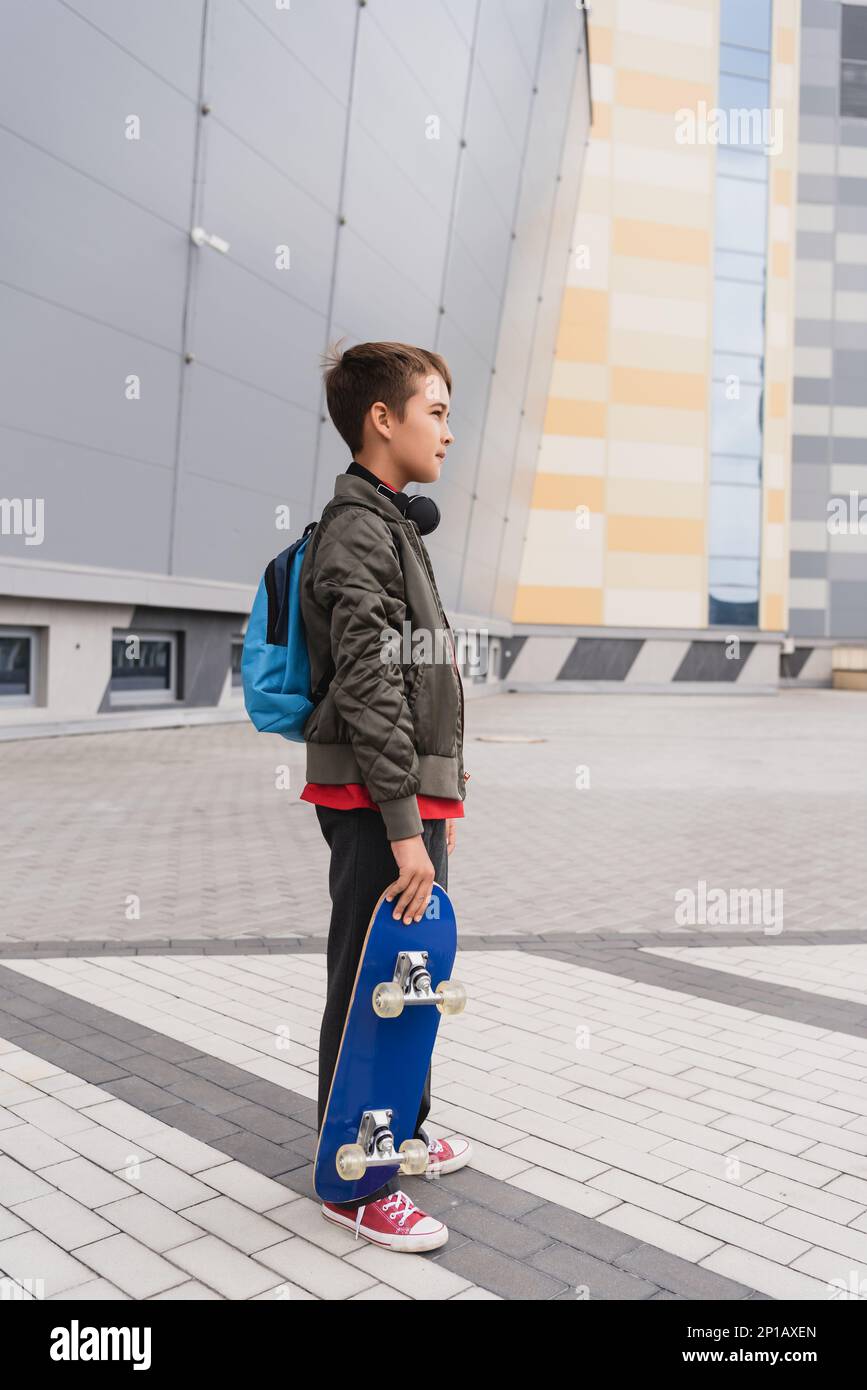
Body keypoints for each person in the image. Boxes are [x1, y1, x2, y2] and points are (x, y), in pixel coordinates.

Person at [299, 340, 472, 1252]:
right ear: (384, 418)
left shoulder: (391, 521)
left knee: (408, 979)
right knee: (371, 985)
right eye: (435, 410)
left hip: (403, 794)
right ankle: (352, 1183)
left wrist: (443, 782)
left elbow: (413, 677)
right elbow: (368, 684)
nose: (447, 429)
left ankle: (394, 1132)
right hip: (376, 801)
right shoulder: (361, 530)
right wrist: (407, 826)